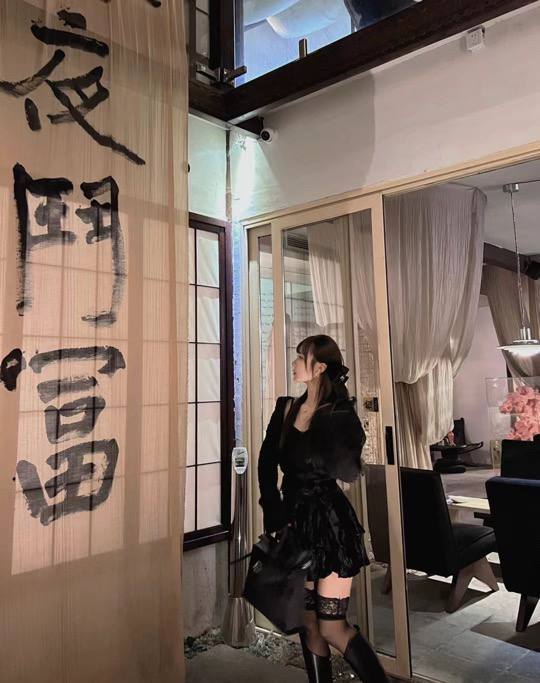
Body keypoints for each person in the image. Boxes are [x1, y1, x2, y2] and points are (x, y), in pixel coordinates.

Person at [258, 334, 389, 683]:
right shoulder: (286, 407)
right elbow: (266, 464)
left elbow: (348, 472)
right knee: (309, 623)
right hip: (293, 522)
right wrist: (274, 513)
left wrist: (338, 420)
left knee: (332, 626)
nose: (294, 363)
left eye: (301, 357)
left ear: (319, 368)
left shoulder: (338, 413)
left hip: (330, 524)